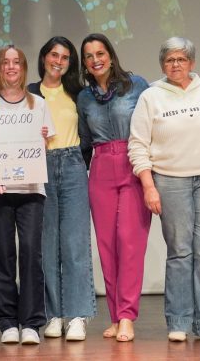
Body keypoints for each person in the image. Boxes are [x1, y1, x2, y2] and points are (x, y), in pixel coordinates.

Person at [128, 37, 200, 342]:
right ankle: (179, 322)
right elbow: (138, 145)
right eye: (170, 60)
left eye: (181, 59)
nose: (175, 64)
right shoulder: (150, 96)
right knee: (180, 252)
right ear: (162, 65)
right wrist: (148, 187)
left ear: (192, 63)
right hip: (170, 180)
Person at [76, 33, 149, 342]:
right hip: (101, 166)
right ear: (84, 63)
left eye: (100, 53)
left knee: (129, 243)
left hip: (132, 164)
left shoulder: (136, 85)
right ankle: (116, 316)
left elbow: (151, 126)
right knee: (107, 246)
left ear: (110, 55)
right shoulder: (84, 97)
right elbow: (84, 140)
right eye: (89, 55)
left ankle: (127, 315)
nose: (96, 59)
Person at [0, 45, 53, 345]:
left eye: (17, 62)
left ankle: (32, 323)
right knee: (0, 256)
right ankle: (7, 322)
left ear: (23, 68)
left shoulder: (39, 104)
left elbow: (44, 148)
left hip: (30, 189)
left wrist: (41, 142)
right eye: (5, 62)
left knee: (31, 254)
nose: (11, 67)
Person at [28, 36, 96, 341]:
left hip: (71, 165)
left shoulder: (78, 93)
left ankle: (77, 315)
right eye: (54, 55)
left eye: (65, 57)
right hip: (40, 167)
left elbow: (88, 134)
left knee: (74, 243)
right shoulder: (30, 93)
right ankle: (53, 314)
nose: (59, 61)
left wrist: (80, 160)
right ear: (44, 57)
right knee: (46, 244)